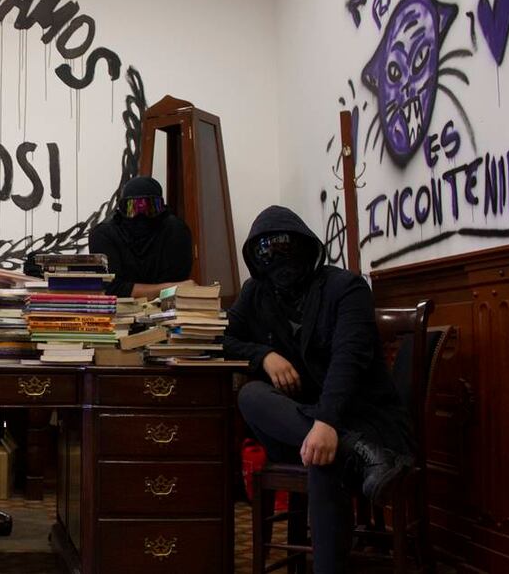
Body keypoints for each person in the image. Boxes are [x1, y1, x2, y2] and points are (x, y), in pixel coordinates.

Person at [224, 205, 413, 574]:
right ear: (255, 257)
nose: (277, 256)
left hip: (362, 417)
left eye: (286, 245)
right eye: (266, 249)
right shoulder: (256, 293)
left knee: (323, 458)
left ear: (306, 246)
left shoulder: (346, 287)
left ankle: (344, 448)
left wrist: (327, 423)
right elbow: (224, 339)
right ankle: (354, 450)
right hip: (296, 423)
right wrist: (264, 356)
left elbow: (348, 360)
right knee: (250, 396)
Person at [88, 176, 192, 298]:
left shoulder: (175, 231)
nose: (141, 215)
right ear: (122, 208)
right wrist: (169, 288)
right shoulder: (104, 234)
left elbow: (175, 285)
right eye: (133, 208)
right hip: (119, 311)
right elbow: (111, 289)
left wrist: (172, 288)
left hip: (166, 309)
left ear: (162, 208)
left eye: (150, 207)